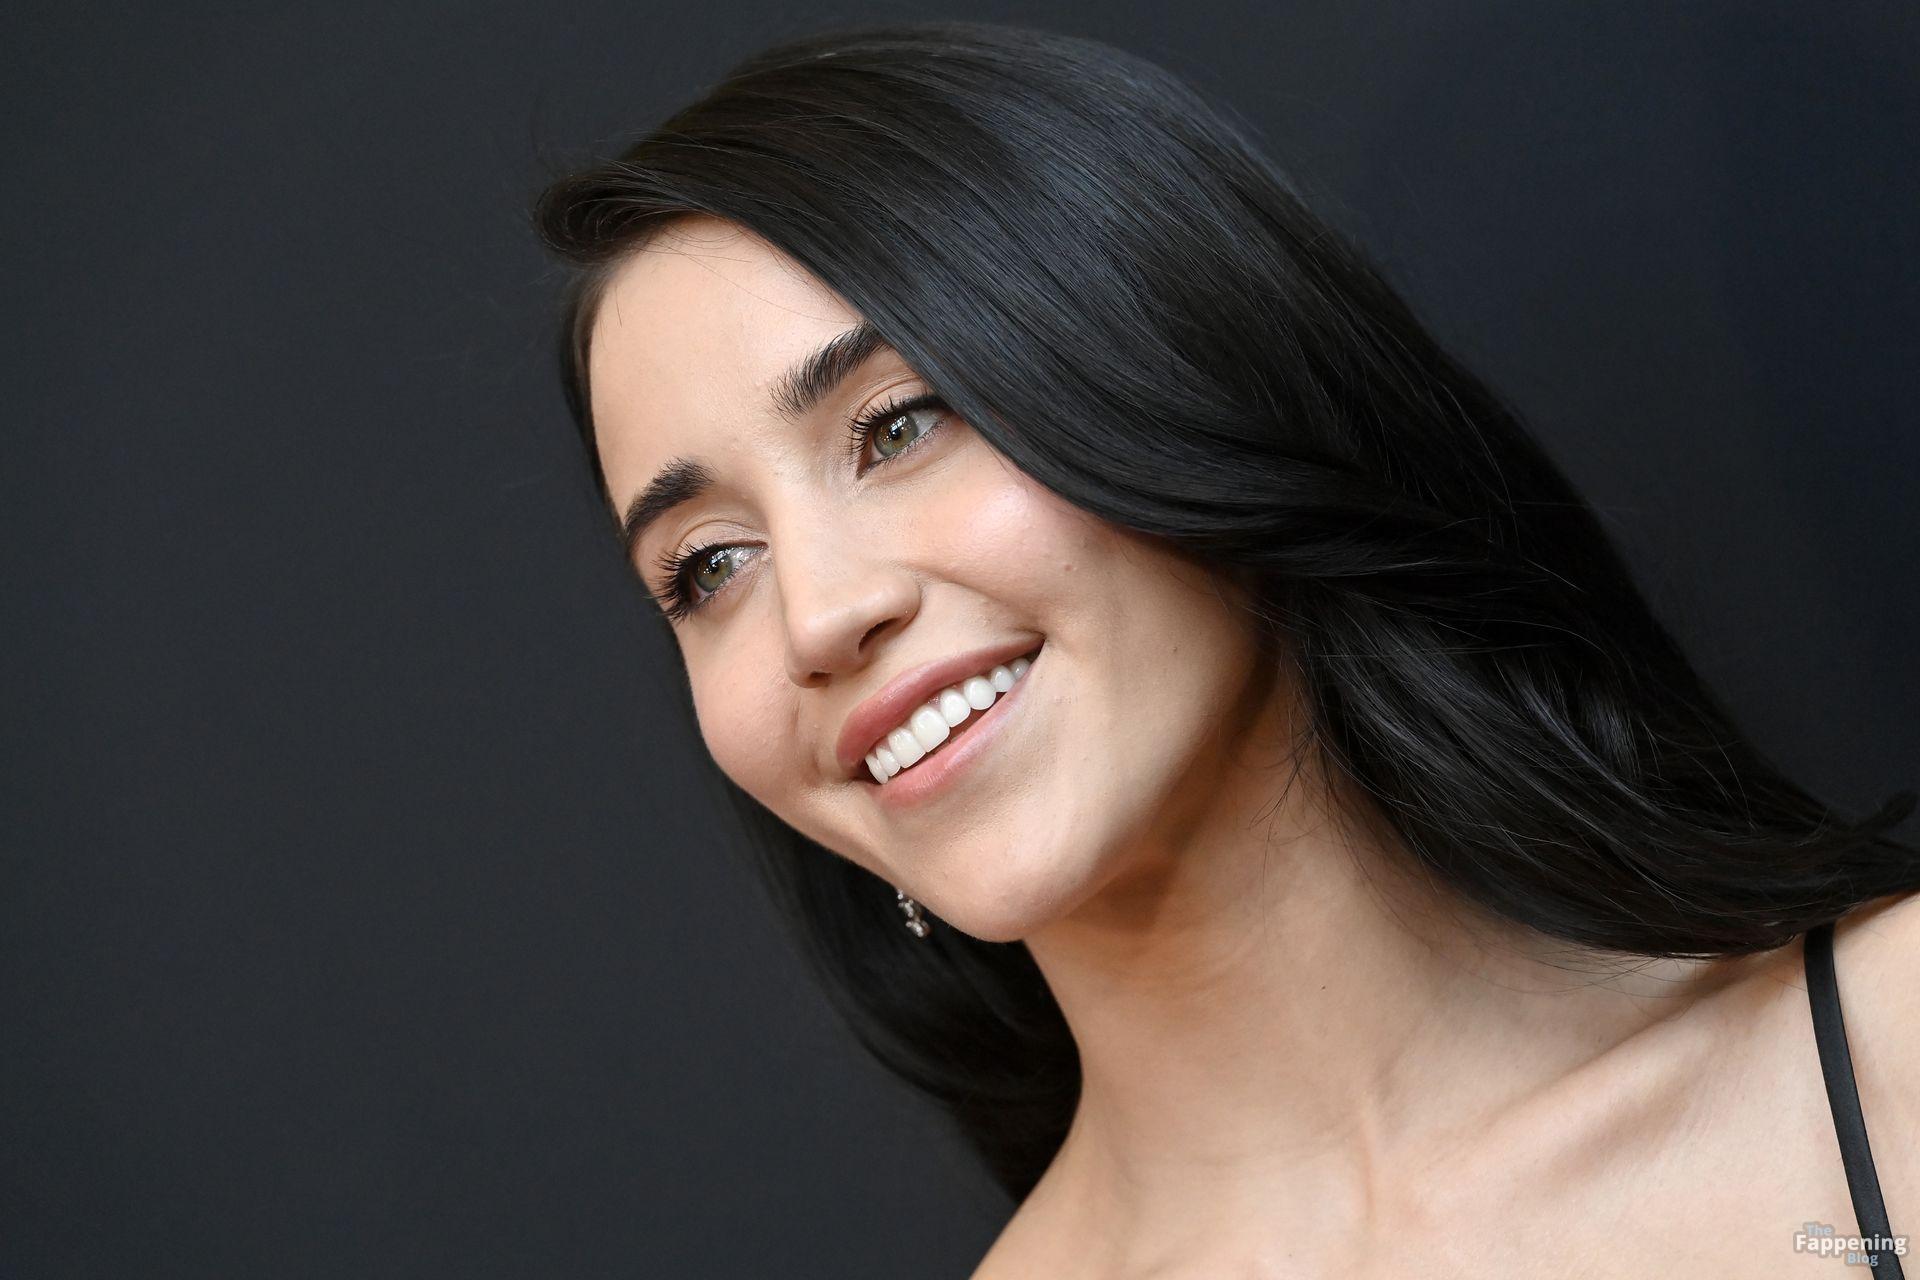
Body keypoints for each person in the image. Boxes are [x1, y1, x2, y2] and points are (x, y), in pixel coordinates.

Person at [530, 20, 1918, 1276]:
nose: (819, 617)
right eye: (709, 567)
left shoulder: (1887, 1064)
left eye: (898, 426)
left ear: (1182, 371)